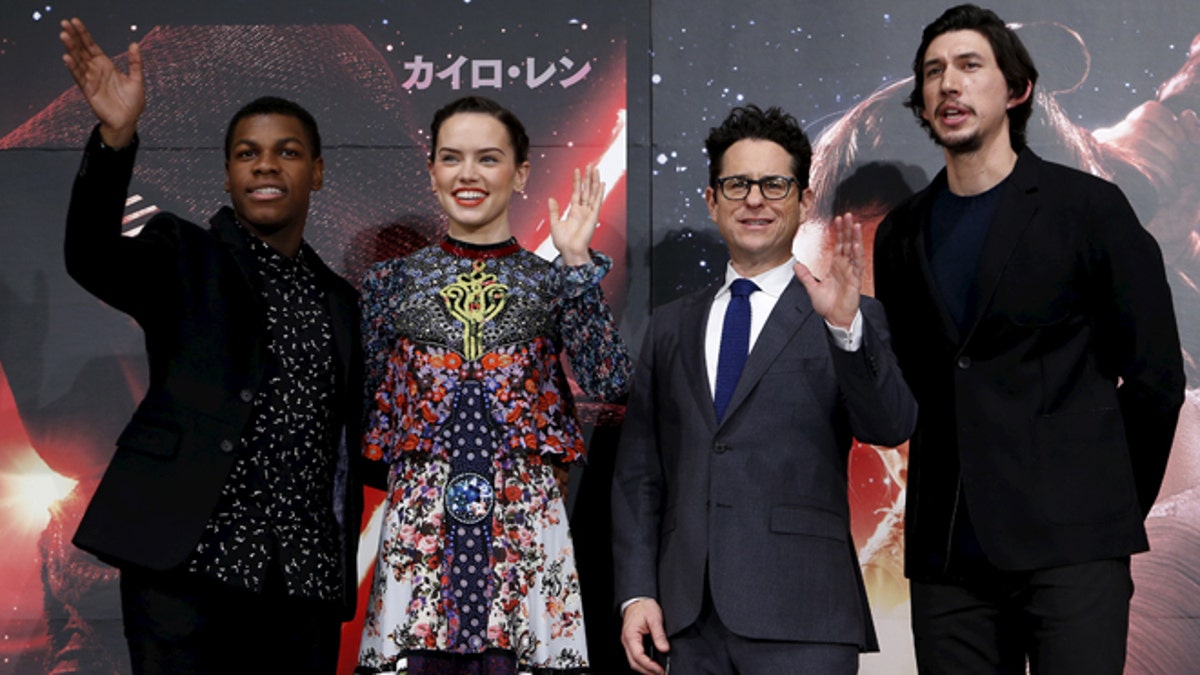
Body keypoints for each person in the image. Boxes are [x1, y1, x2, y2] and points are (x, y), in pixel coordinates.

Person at [871, 5, 1187, 673]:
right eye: (932, 72)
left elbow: (1156, 378)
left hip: (1073, 552)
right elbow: (913, 384)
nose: (947, 85)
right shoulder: (900, 234)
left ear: (1017, 91)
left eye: (969, 65)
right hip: (947, 556)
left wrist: (1105, 505)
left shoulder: (1090, 209)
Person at [58, 17, 374, 673]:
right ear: (228, 175)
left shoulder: (344, 301)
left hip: (303, 583)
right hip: (188, 570)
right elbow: (91, 256)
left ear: (316, 172)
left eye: (286, 151)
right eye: (246, 152)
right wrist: (116, 139)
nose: (265, 163)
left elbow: (360, 438)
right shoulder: (183, 254)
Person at [611, 104, 918, 675]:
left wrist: (843, 330)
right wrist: (636, 594)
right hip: (687, 623)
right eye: (737, 184)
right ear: (712, 200)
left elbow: (889, 425)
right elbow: (639, 476)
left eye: (774, 184)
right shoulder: (671, 325)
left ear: (803, 201)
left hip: (806, 616)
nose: (755, 200)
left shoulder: (851, 316)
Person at [355, 95, 631, 675]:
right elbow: (366, 408)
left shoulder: (549, 282)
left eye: (488, 158)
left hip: (523, 538)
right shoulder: (391, 284)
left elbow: (610, 377)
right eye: (452, 158)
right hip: (421, 542)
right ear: (432, 171)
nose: (469, 175)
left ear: (521, 172)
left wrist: (576, 262)